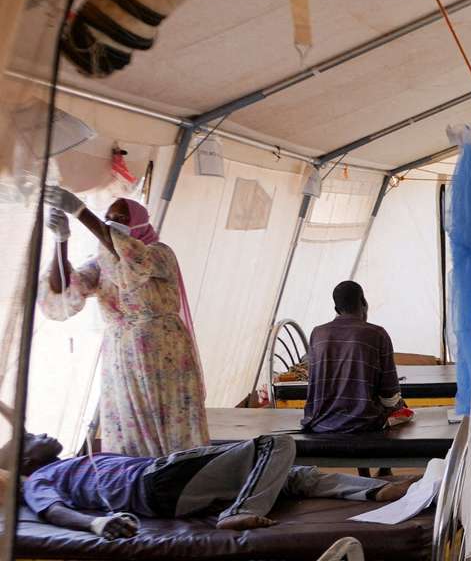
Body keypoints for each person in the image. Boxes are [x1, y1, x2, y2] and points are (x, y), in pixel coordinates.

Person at [40, 187, 208, 457]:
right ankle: (137, 481)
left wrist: (82, 212)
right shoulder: (102, 264)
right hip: (121, 358)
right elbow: (65, 291)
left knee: (170, 417)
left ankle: (180, 474)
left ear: (139, 224)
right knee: (128, 421)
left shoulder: (159, 254)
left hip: (163, 351)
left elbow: (132, 256)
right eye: (107, 218)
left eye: (120, 218)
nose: (111, 224)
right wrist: (62, 241)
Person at [18, 431, 411, 539]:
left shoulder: (73, 461)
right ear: (26, 461)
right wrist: (96, 524)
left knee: (284, 476)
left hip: (170, 494)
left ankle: (373, 491)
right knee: (276, 444)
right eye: (33, 435)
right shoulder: (39, 479)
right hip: (154, 481)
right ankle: (241, 512)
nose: (44, 431)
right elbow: (51, 511)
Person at [302, 281, 404, 434]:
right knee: (401, 410)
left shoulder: (317, 334)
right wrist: (400, 406)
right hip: (364, 424)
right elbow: (389, 396)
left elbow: (314, 387)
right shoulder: (377, 334)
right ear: (364, 302)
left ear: (336, 309)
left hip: (320, 424)